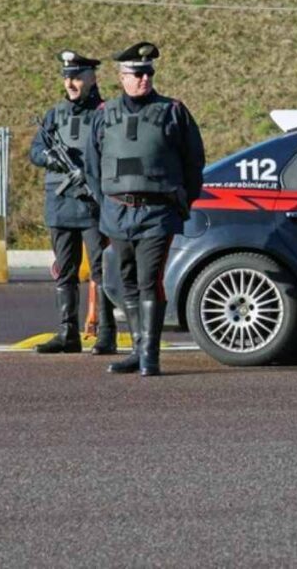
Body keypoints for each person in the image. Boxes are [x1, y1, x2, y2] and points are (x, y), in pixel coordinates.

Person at [85, 42, 205, 377]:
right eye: (137, 73)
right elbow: (93, 167)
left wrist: (183, 201)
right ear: (122, 76)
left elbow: (194, 162)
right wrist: (106, 201)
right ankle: (137, 349)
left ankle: (150, 356)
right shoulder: (104, 115)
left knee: (149, 279)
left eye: (148, 72)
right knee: (125, 281)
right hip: (117, 212)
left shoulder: (173, 112)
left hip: (157, 213)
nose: (144, 78)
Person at [30, 50, 118, 355]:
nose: (71, 83)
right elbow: (36, 150)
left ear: (92, 78)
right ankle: (68, 334)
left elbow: (114, 155)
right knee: (64, 271)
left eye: (77, 77)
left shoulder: (105, 113)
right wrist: (50, 159)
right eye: (67, 77)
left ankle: (106, 333)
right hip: (60, 203)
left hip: (92, 204)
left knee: (101, 270)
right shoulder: (55, 114)